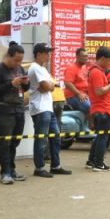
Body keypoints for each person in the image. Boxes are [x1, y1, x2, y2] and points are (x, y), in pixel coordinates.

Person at [27, 43, 71, 178]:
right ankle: (39, 167)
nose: (48, 55)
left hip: (47, 107)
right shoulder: (35, 68)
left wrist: (49, 86)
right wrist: (50, 86)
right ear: (38, 54)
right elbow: (48, 86)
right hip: (40, 108)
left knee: (55, 137)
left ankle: (55, 165)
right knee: (42, 139)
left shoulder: (42, 69)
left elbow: (50, 86)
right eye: (46, 53)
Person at [0, 43, 29, 184]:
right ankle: (5, 172)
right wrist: (10, 84)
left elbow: (24, 89)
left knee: (15, 141)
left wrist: (26, 83)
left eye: (20, 60)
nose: (18, 63)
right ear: (8, 56)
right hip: (4, 110)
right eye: (16, 60)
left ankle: (12, 170)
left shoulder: (20, 69)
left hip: (19, 108)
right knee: (5, 141)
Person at [86, 46, 110, 172]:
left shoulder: (96, 71)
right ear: (103, 58)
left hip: (101, 108)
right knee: (103, 137)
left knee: (100, 136)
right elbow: (99, 91)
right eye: (109, 60)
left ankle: (92, 161)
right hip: (103, 108)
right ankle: (98, 163)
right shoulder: (97, 72)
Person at [63, 48, 91, 115]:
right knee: (89, 106)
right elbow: (67, 83)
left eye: (87, 56)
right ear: (77, 57)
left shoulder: (84, 67)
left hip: (84, 94)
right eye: (84, 56)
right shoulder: (71, 68)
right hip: (73, 96)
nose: (86, 58)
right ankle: (90, 122)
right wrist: (79, 94)